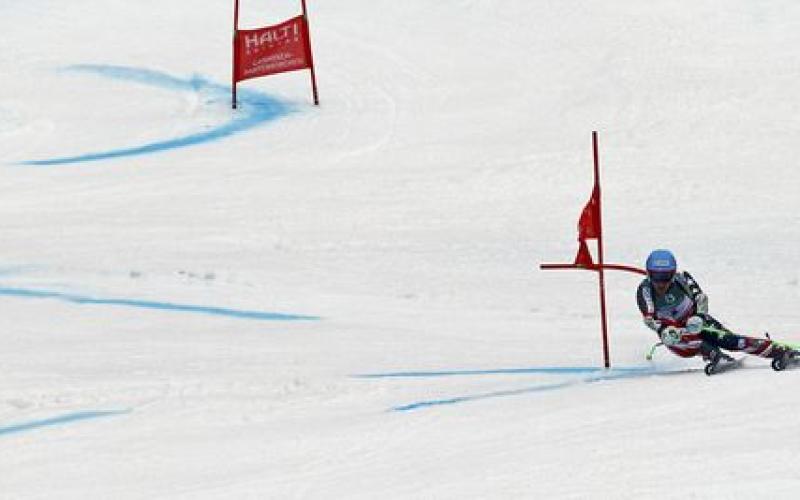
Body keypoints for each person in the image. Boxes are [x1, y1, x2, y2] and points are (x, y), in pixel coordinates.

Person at [636, 249, 793, 370]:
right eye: (656, 277)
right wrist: (664, 330)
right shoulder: (645, 290)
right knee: (681, 338)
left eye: (666, 276)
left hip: (696, 321)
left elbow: (701, 298)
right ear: (649, 274)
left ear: (673, 272)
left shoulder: (682, 279)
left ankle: (778, 351)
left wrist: (699, 316)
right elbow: (650, 319)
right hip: (674, 333)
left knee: (729, 340)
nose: (661, 283)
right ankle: (714, 355)